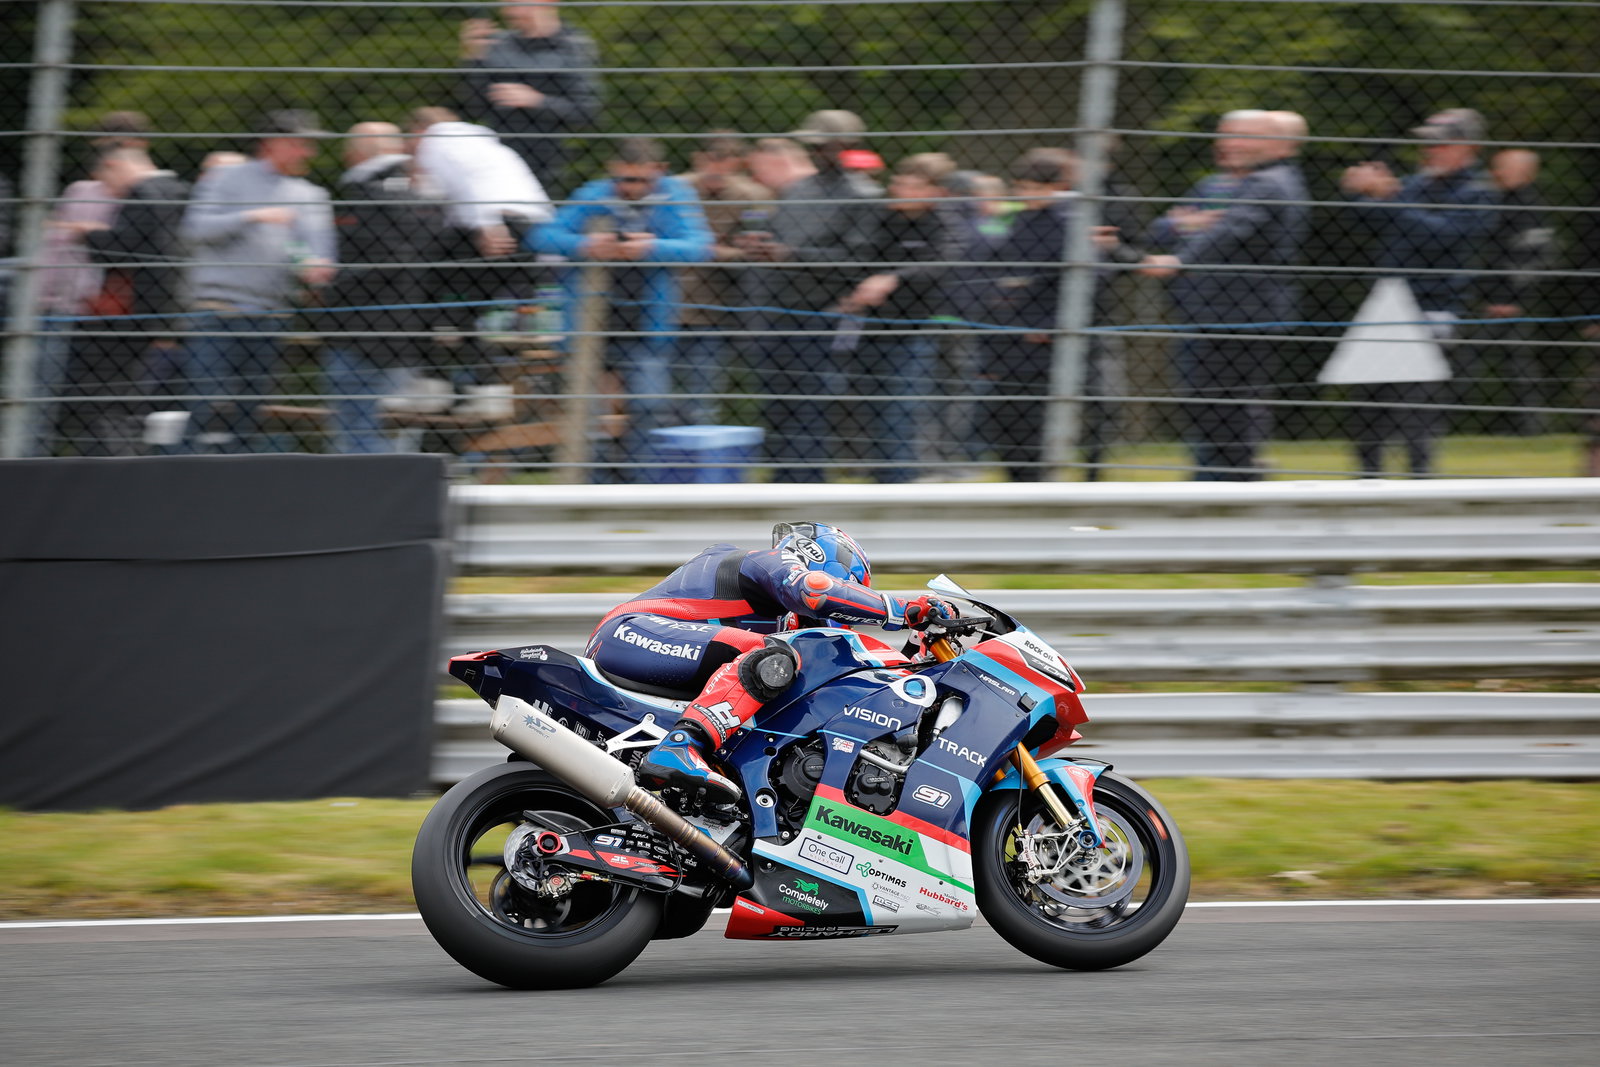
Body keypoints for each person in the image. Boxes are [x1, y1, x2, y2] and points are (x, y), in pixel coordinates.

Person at [586, 521, 952, 798]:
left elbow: (851, 652)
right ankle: (681, 746)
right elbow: (815, 594)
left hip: (669, 651)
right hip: (633, 631)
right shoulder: (768, 562)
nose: (825, 623)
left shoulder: (781, 614)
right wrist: (904, 610)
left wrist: (919, 658)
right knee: (777, 655)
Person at [1142, 109, 1310, 480]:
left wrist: (1180, 257)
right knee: (1205, 404)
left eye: (1243, 135)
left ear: (1279, 145)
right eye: (1226, 134)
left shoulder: (1272, 183)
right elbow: (1160, 229)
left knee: (1230, 407)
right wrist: (1178, 225)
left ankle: (1233, 482)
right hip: (1203, 313)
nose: (1229, 143)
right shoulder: (1216, 186)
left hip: (1243, 316)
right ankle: (1216, 478)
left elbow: (1232, 231)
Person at [531, 137, 711, 481]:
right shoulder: (593, 194)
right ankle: (590, 482)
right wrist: (585, 244)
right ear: (613, 172)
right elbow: (542, 236)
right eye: (625, 180)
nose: (632, 188)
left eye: (642, 180)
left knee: (649, 405)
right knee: (587, 409)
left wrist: (653, 247)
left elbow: (699, 246)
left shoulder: (676, 196)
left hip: (645, 324)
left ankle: (638, 482)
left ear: (660, 171)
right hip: (590, 324)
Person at [1338, 107, 1500, 477]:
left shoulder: (1478, 193)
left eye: (1441, 144)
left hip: (1431, 311)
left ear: (1468, 148)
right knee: (1366, 415)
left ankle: (1419, 486)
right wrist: (1358, 191)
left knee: (1416, 414)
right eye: (1428, 144)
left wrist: (1391, 196)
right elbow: (1370, 219)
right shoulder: (1417, 185)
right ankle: (1366, 488)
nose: (1430, 151)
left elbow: (1441, 235)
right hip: (1385, 309)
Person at [178, 109, 336, 453]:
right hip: (218, 312)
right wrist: (252, 216)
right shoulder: (226, 179)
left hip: (271, 317)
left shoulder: (312, 195)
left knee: (248, 413)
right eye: (300, 144)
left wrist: (315, 268)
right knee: (205, 403)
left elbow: (320, 252)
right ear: (271, 144)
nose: (308, 152)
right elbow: (195, 230)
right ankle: (186, 474)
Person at [741, 110, 882, 482]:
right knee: (777, 398)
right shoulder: (798, 190)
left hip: (825, 311)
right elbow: (782, 238)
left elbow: (858, 259)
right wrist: (760, 244)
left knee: (811, 401)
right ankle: (781, 478)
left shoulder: (864, 195)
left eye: (825, 145)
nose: (818, 151)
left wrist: (791, 255)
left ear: (846, 146)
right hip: (779, 309)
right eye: (814, 145)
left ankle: (807, 481)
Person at [322, 122, 450, 454]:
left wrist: (329, 284)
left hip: (359, 330)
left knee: (357, 431)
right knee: (399, 427)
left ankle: (364, 500)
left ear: (356, 152)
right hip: (409, 330)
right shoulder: (428, 196)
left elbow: (377, 261)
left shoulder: (365, 194)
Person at [840, 151, 961, 482]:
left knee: (902, 407)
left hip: (916, 329)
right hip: (871, 326)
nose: (901, 191)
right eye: (899, 183)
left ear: (936, 192)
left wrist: (894, 278)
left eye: (913, 186)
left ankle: (901, 479)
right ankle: (881, 474)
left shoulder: (944, 223)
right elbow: (859, 257)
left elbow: (943, 263)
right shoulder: (882, 218)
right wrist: (854, 290)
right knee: (869, 403)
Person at [81, 147, 189, 454]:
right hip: (180, 311)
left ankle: (121, 459)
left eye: (106, 181)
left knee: (124, 394)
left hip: (143, 314)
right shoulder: (183, 189)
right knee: (165, 398)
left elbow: (124, 247)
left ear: (115, 166)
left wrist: (88, 234)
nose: (109, 190)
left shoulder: (142, 192)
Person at [458, 1, 601, 193]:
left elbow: (586, 111)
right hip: (496, 158)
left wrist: (536, 100)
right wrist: (474, 59)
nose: (508, 11)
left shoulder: (572, 47)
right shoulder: (500, 44)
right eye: (507, 5)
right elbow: (474, 107)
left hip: (548, 165)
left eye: (517, 4)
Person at [678, 133, 772, 425]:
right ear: (697, 159)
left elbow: (759, 254)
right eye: (709, 163)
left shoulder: (754, 196)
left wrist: (716, 252)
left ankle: (696, 467)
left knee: (701, 400)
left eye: (725, 166)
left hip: (714, 311)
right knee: (652, 400)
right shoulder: (675, 190)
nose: (715, 173)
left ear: (738, 165)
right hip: (665, 306)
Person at [1464, 148, 1556, 435]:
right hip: (1487, 297)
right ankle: (1532, 426)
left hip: (1507, 302)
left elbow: (1535, 259)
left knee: (1489, 364)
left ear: (1525, 172)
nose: (1497, 172)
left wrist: (1510, 299)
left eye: (1504, 167)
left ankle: (1533, 427)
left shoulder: (1530, 208)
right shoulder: (1495, 201)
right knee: (1508, 365)